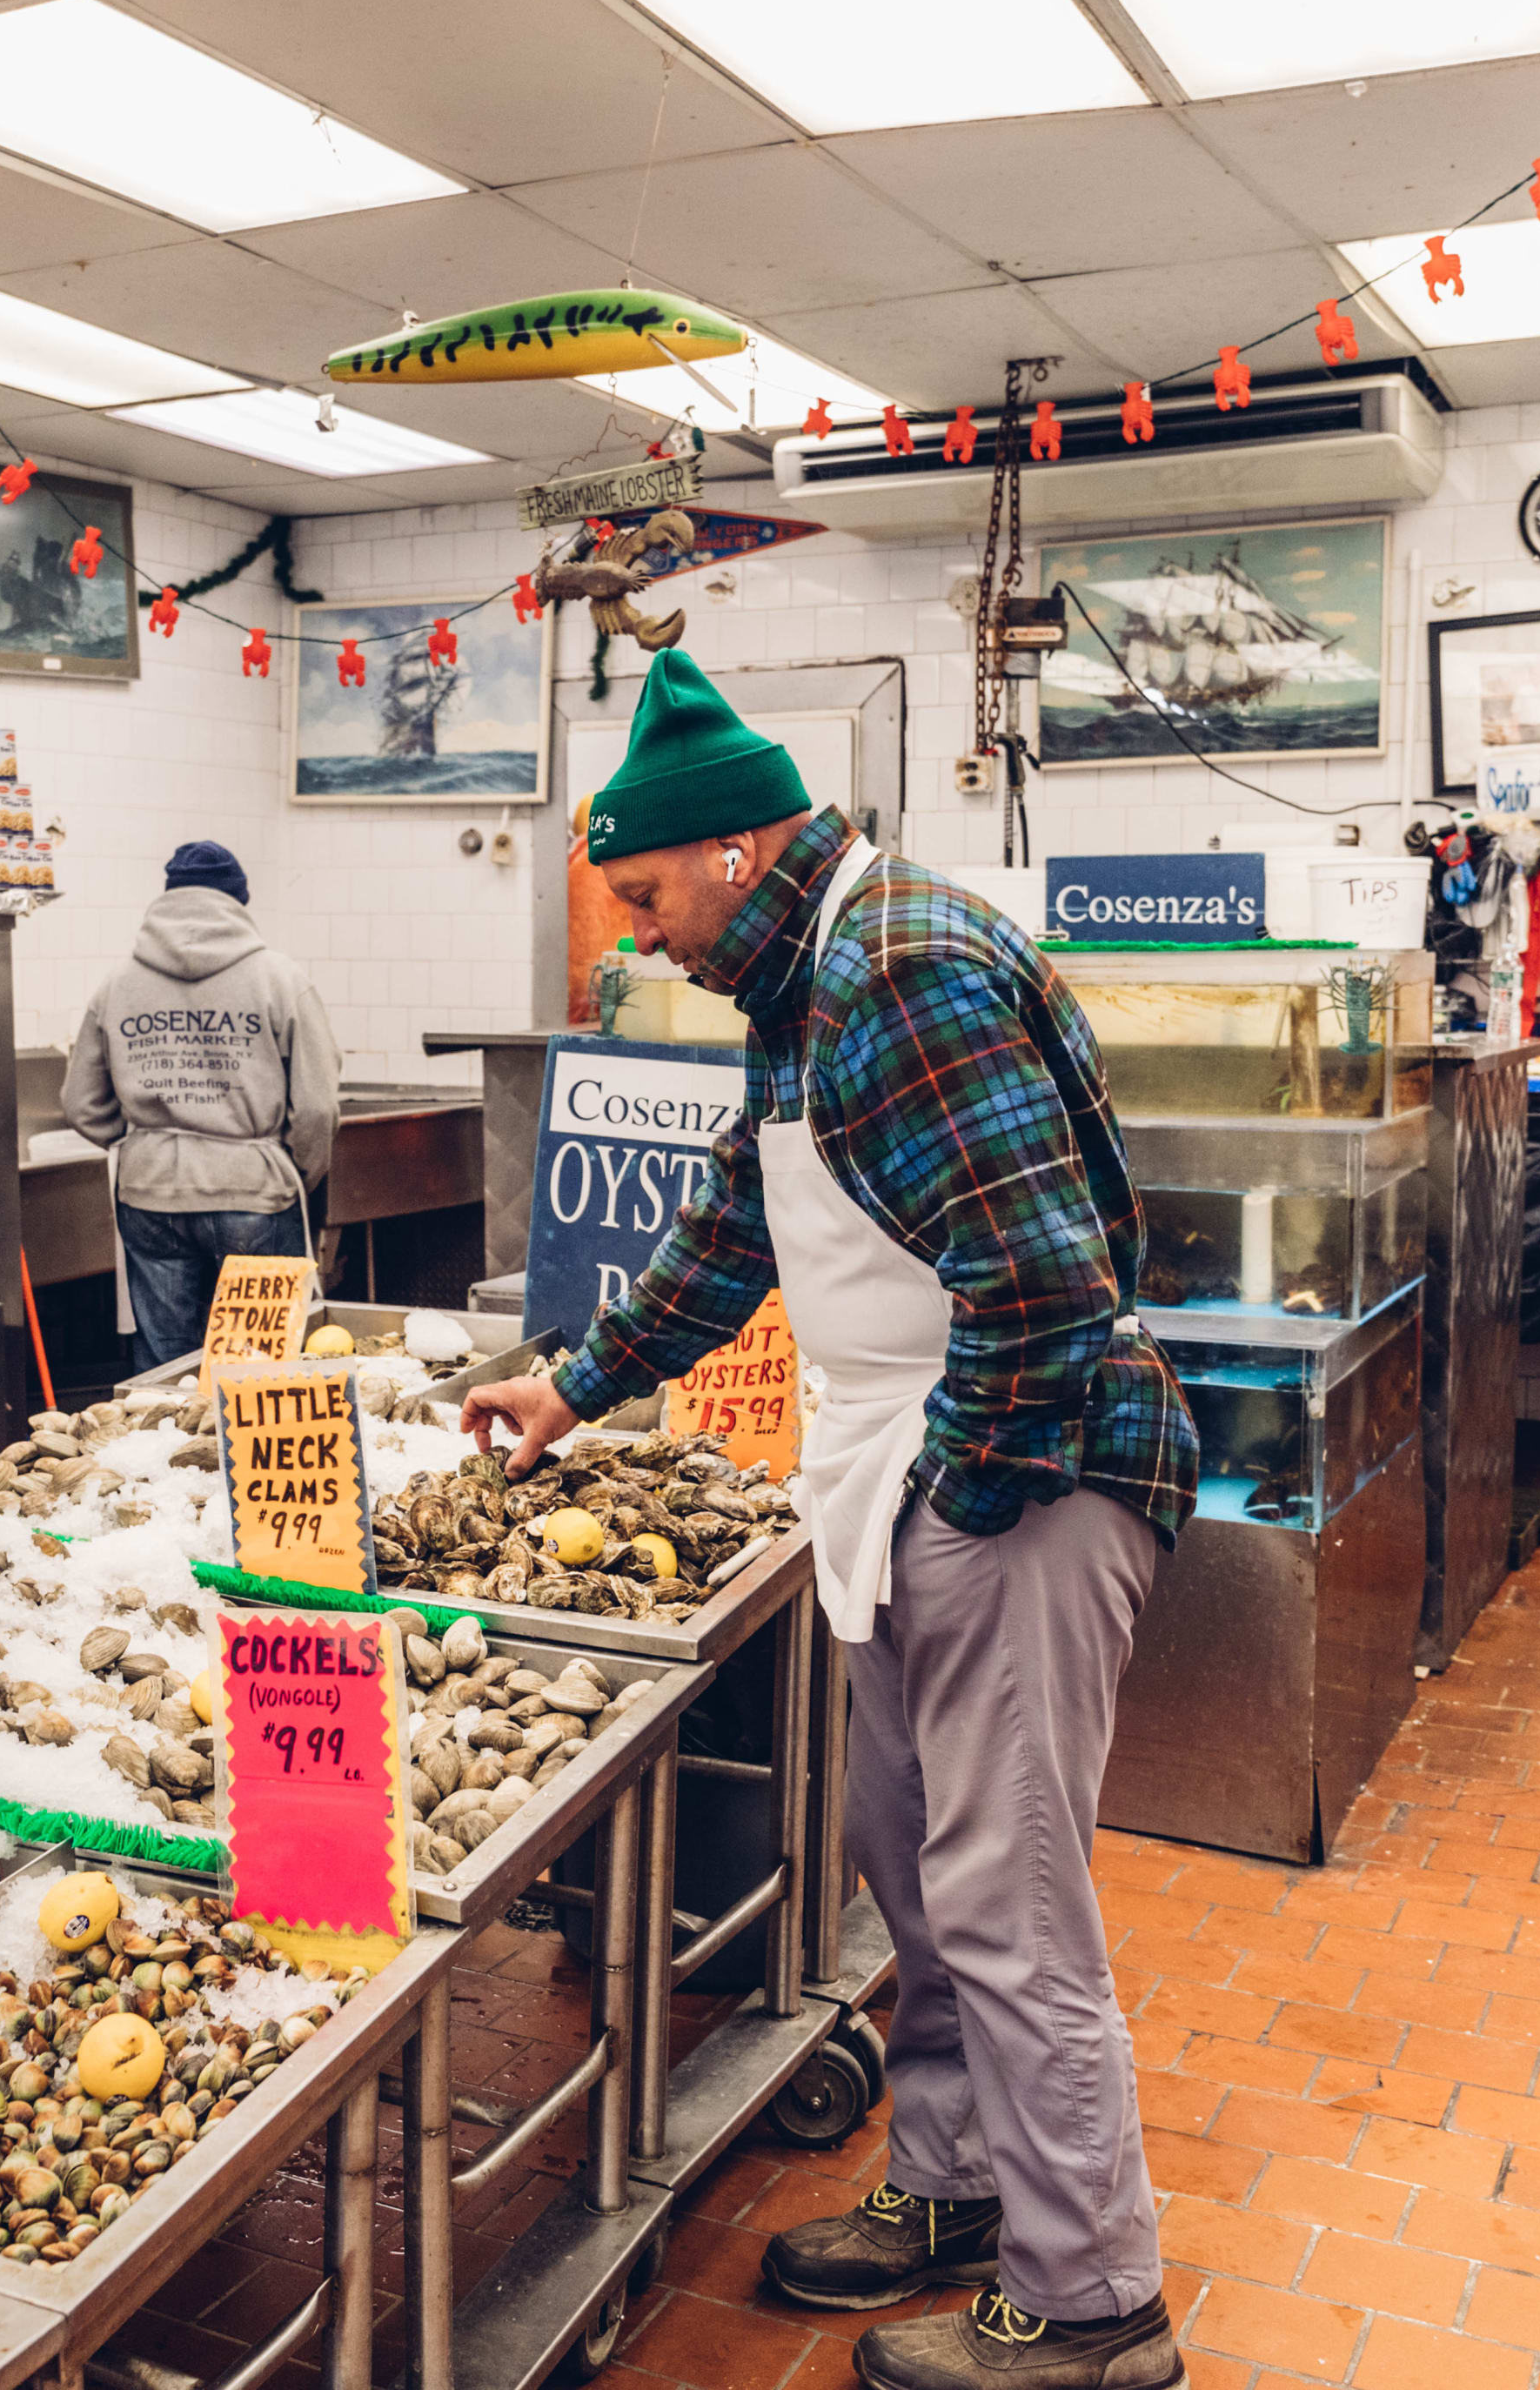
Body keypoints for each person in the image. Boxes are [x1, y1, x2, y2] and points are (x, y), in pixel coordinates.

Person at [462, 653, 1199, 2390]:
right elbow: (737, 1233)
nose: (638, 935)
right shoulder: (800, 994)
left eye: (643, 898)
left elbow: (1042, 1281)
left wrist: (963, 1494)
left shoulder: (901, 969)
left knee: (1012, 1905)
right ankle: (954, 2190)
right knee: (916, 1872)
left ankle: (1096, 2308)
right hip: (909, 1487)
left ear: (731, 851)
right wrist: (575, 1381)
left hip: (1022, 1481)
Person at [63, 840, 337, 1369]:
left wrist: (144, 1141)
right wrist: (293, 1172)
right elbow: (318, 1108)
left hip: (150, 1192)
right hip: (255, 1193)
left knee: (168, 1365)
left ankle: (163, 1452)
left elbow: (80, 1103)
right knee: (261, 1365)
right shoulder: (280, 980)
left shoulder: (118, 984)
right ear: (238, 902)